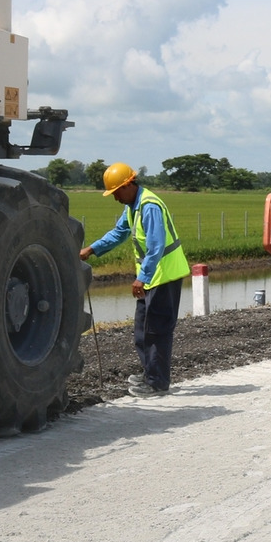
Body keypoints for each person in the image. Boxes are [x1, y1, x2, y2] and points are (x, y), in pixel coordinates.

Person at [79, 163, 189, 397]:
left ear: (129, 185)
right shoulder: (133, 206)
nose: (115, 198)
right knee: (141, 330)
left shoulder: (149, 206)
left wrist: (142, 277)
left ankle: (157, 382)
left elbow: (156, 246)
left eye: (117, 192)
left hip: (163, 276)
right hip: (152, 278)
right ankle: (150, 373)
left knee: (156, 331)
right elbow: (119, 233)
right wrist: (91, 249)